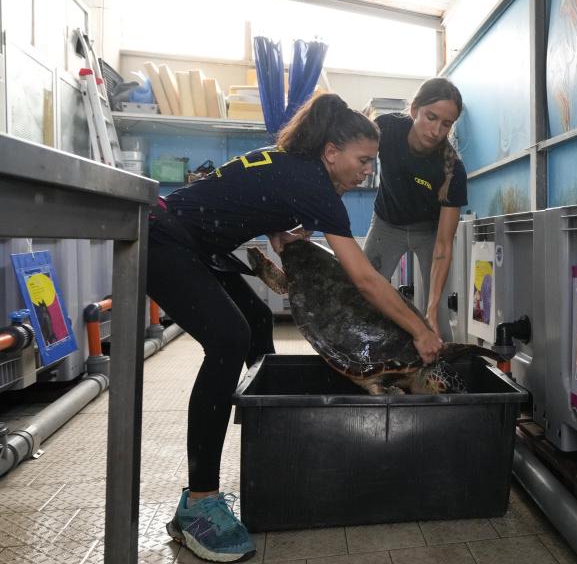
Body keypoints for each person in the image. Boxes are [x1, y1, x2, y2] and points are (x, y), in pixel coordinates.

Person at [146, 91, 443, 562]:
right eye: (363, 161)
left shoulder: (296, 164)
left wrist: (278, 231)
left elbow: (253, 193)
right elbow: (364, 279)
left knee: (258, 320)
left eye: (373, 164)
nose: (367, 172)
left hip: (193, 240)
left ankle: (265, 426)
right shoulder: (314, 184)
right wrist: (422, 330)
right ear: (332, 152)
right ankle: (198, 504)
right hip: (163, 238)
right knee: (229, 339)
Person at [363, 77, 467, 336]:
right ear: (414, 110)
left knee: (439, 316)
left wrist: (430, 310)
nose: (436, 130)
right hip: (386, 224)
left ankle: (439, 370)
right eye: (430, 117)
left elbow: (443, 245)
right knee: (362, 299)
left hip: (429, 234)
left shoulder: (453, 169)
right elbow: (349, 162)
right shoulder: (386, 128)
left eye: (446, 124)